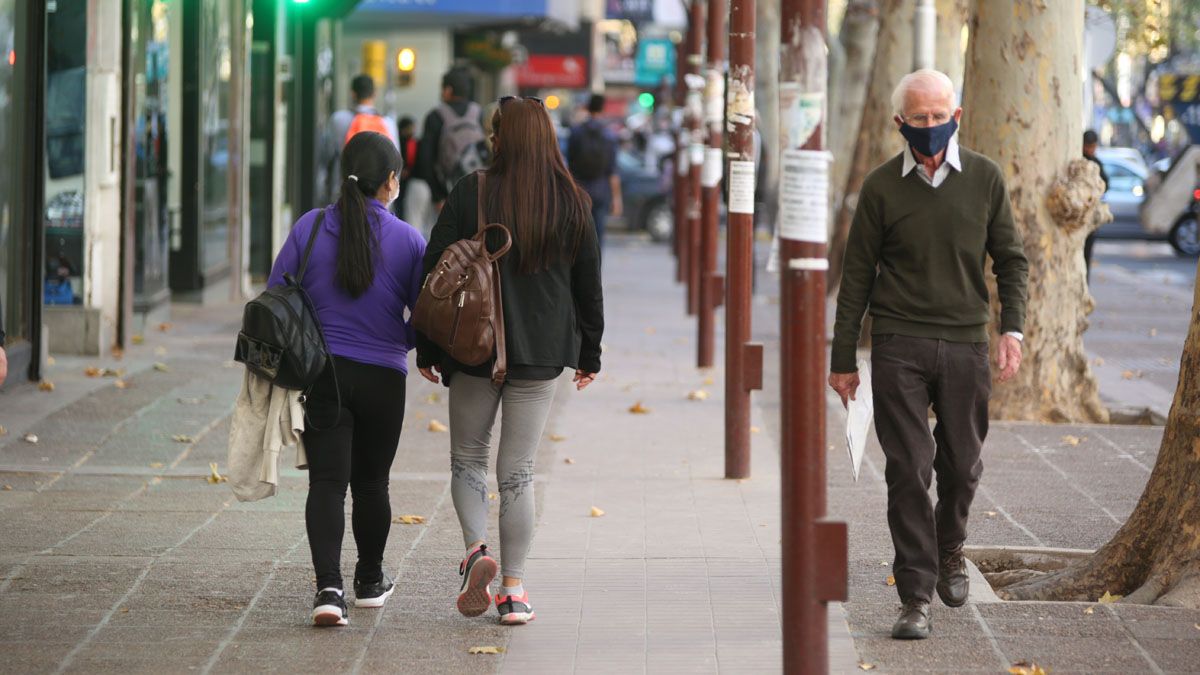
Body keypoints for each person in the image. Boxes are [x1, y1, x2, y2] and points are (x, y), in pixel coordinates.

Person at [828, 70, 1028, 641]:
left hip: (966, 342)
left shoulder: (985, 178)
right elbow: (857, 277)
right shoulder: (881, 187)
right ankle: (914, 596)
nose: (931, 125)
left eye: (940, 115)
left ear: (956, 116)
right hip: (899, 343)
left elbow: (1011, 260)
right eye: (919, 117)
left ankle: (950, 546)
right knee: (908, 469)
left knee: (961, 467)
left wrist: (1011, 329)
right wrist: (843, 359)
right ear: (900, 123)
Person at [415, 96, 604, 626]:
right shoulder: (572, 201)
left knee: (467, 461)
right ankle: (514, 592)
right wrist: (589, 352)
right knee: (518, 474)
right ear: (548, 138)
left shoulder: (471, 190)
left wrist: (428, 348)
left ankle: (478, 551)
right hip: (542, 356)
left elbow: (436, 271)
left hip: (474, 348)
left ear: (500, 137)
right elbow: (589, 285)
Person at [267, 131, 426, 627]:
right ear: (392, 182)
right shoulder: (408, 240)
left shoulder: (310, 228)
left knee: (328, 483)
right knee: (373, 483)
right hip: (384, 378)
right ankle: (370, 581)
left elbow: (276, 295)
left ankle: (328, 590)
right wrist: (398, 341)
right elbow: (426, 314)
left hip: (324, 375)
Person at [318, 75, 400, 203]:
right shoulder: (388, 123)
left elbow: (326, 155)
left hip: (344, 192)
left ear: (353, 94)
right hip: (379, 196)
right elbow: (396, 162)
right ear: (374, 94)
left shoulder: (338, 119)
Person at [415, 68, 487, 212]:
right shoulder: (479, 113)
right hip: (479, 191)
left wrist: (438, 197)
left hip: (448, 192)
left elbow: (425, 159)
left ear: (448, 90)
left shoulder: (436, 116)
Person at [567, 94, 623, 251]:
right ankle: (596, 268)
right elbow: (612, 171)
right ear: (603, 109)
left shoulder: (576, 132)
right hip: (601, 189)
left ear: (588, 107)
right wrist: (617, 199)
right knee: (598, 233)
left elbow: (569, 164)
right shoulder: (609, 135)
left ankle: (579, 269)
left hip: (580, 189)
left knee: (579, 232)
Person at [1082, 129, 1109, 281]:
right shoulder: (1084, 161)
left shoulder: (1096, 164)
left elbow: (1105, 185)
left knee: (1086, 256)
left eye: (1092, 146)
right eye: (1088, 146)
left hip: (1090, 217)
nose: (1090, 150)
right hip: (1081, 216)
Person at [393, 116, 419, 219]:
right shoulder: (400, 141)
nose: (413, 130)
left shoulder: (411, 142)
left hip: (408, 178)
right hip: (400, 177)